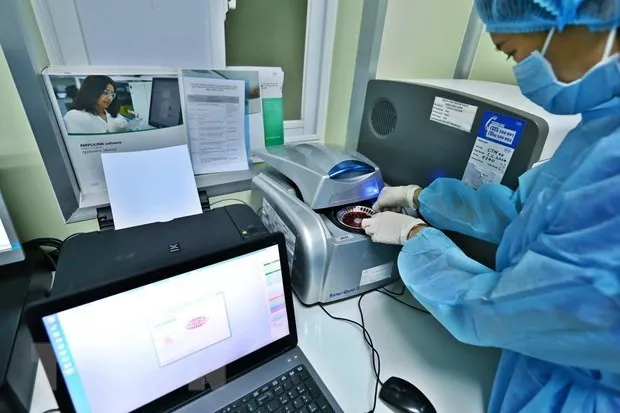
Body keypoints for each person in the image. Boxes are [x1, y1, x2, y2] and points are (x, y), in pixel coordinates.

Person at [361, 1, 620, 412]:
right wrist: (419, 196)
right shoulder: (603, 123)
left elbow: (502, 309)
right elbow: (526, 211)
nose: (517, 68)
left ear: (569, 21)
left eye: (511, 51)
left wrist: (417, 237)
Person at [63, 75, 129, 134]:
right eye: (105, 92)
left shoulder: (118, 118)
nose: (109, 98)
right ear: (92, 91)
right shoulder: (74, 116)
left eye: (112, 94)